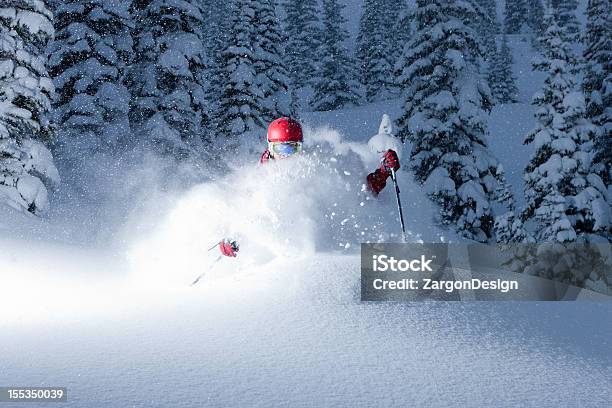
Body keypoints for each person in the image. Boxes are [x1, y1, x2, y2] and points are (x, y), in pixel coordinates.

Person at [260, 117, 399, 196]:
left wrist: (384, 172)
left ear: (301, 147)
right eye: (280, 149)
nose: (286, 156)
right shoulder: (259, 180)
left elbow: (360, 192)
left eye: (293, 149)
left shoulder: (317, 165)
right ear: (270, 147)